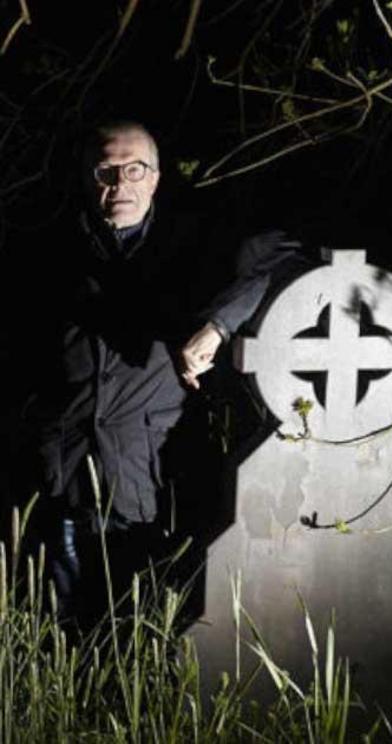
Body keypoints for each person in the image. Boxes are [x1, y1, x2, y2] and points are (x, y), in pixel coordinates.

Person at [7, 120, 296, 624]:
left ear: (156, 178)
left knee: (132, 622)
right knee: (56, 624)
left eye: (134, 169)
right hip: (57, 473)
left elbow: (274, 258)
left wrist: (216, 328)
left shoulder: (188, 245)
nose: (120, 184)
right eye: (107, 171)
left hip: (143, 475)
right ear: (87, 178)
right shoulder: (45, 249)